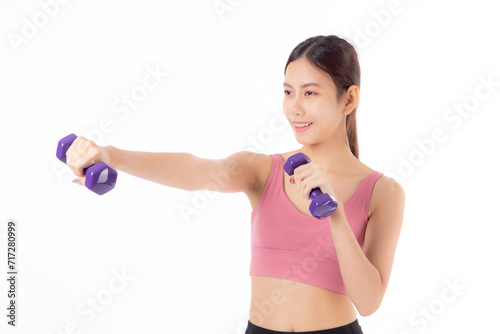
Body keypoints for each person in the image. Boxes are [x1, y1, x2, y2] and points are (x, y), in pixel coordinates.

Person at [64, 35, 405, 334]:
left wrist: (336, 215)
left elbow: (369, 301)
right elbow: (195, 170)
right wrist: (111, 155)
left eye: (310, 92)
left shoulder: (383, 192)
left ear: (348, 99)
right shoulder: (262, 170)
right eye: (288, 92)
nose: (295, 108)